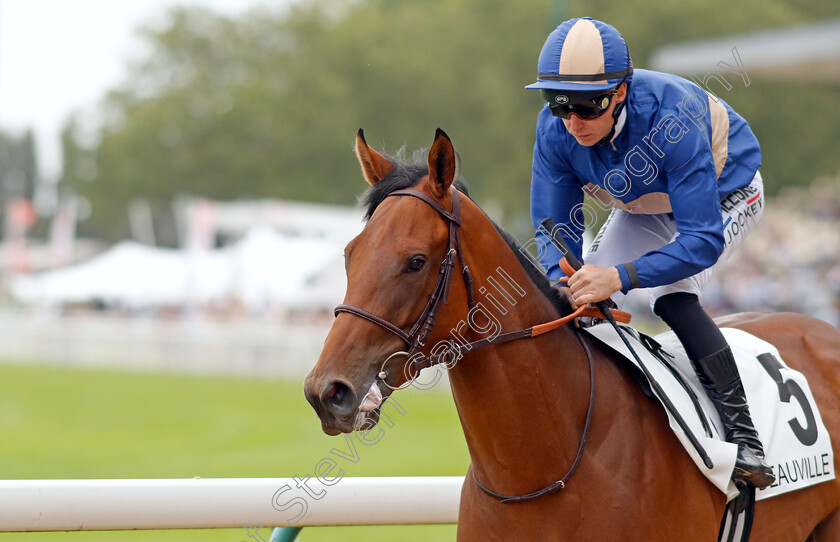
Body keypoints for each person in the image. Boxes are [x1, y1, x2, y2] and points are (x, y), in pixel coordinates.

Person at [526, 17, 774, 489]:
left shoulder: (672, 118)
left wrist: (620, 276)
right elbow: (555, 230)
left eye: (586, 105)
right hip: (644, 202)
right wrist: (566, 279)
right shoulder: (555, 130)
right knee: (577, 294)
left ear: (620, 92)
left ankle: (747, 440)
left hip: (724, 192)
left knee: (670, 295)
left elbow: (701, 240)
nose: (573, 121)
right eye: (557, 103)